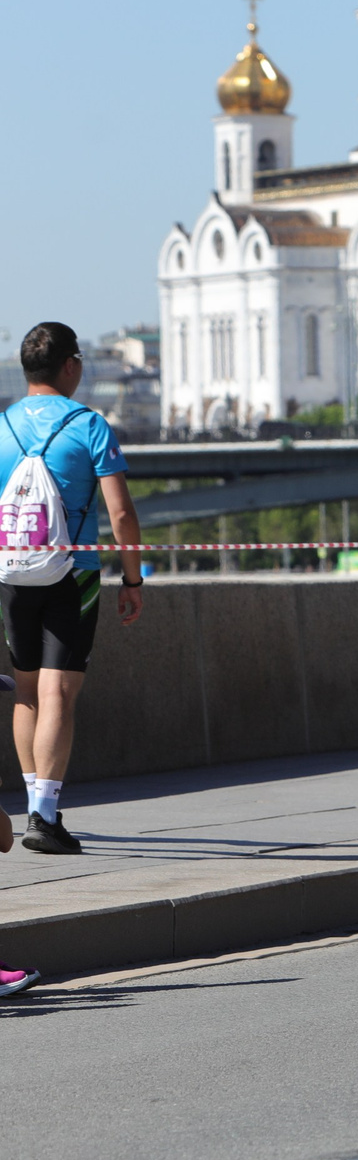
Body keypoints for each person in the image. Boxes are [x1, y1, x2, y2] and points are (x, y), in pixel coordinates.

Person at [2, 323, 142, 865]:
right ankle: (45, 815)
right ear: (70, 366)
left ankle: (34, 804)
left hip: (10, 574)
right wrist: (133, 580)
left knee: (27, 692)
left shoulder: (2, 427)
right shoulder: (89, 426)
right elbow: (122, 514)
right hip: (72, 574)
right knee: (60, 694)